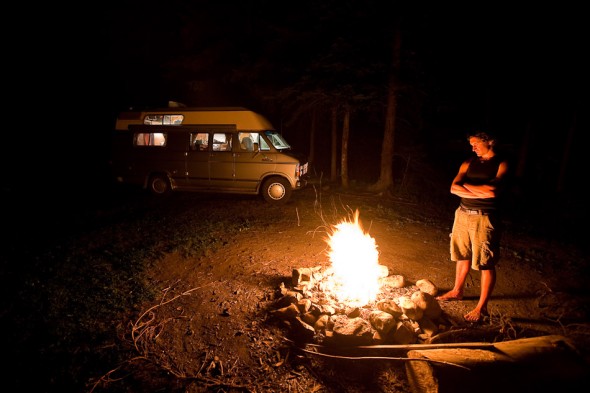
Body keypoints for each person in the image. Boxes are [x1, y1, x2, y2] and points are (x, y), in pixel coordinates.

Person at [436, 131, 509, 323]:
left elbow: (493, 192)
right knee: (462, 254)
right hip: (462, 213)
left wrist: (467, 187)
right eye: (471, 144)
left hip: (484, 217)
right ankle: (457, 290)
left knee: (485, 261)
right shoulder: (468, 162)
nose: (473, 147)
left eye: (476, 143)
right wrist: (481, 190)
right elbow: (453, 188)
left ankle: (481, 307)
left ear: (489, 141)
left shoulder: (501, 164)